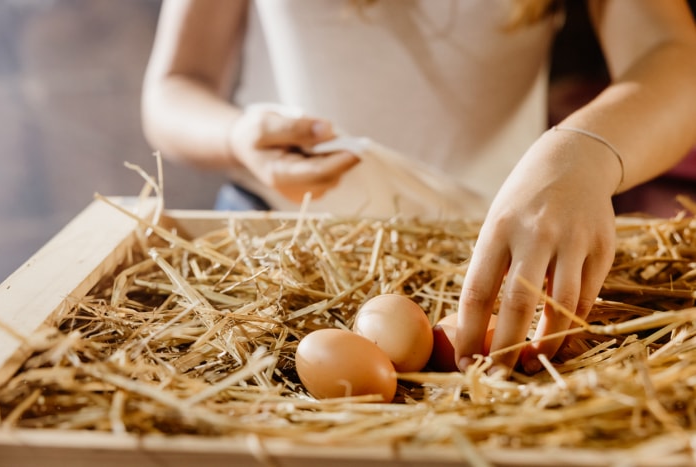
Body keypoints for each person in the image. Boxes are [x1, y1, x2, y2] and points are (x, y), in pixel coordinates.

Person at [141, 0, 696, 376]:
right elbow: (174, 85)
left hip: (494, 245)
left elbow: (674, 56)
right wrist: (237, 136)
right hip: (278, 236)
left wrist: (587, 148)